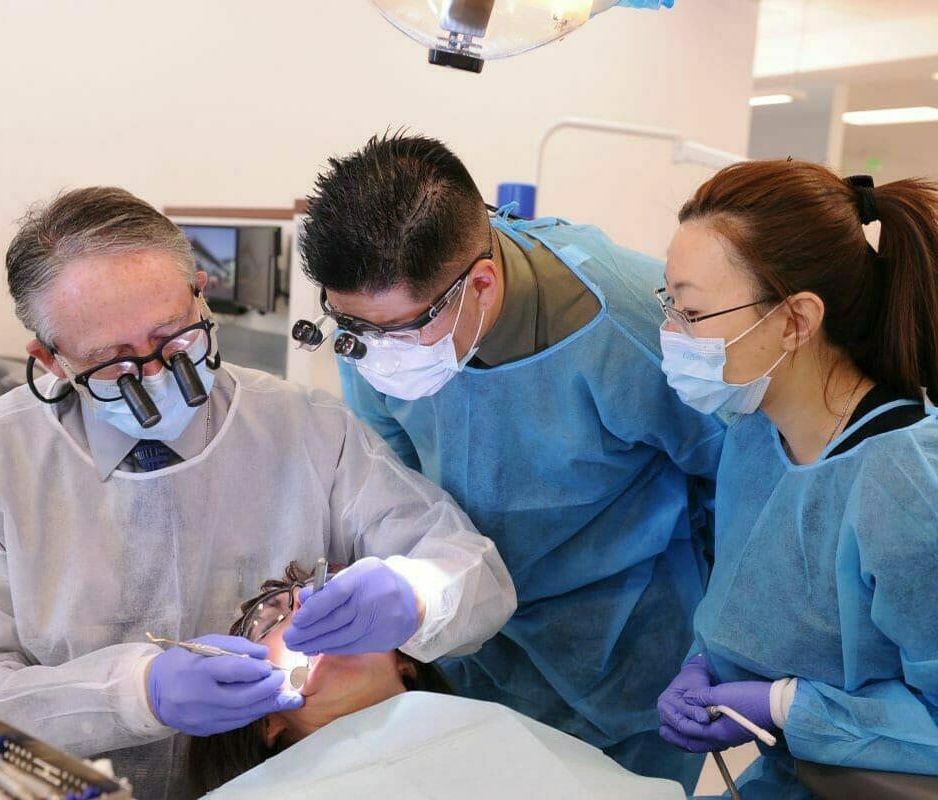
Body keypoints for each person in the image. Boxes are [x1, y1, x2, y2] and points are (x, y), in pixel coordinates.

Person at [0, 187, 516, 799]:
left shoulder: (307, 429)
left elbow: (473, 572)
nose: (159, 374)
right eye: (115, 362)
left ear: (201, 290)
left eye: (175, 335)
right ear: (52, 360)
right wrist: (134, 694)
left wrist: (418, 595)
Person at [296, 132, 725, 791]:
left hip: (626, 665)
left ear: (482, 284)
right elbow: (399, 492)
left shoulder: (637, 322)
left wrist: (729, 647)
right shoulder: (376, 341)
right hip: (470, 657)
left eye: (400, 331)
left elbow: (744, 480)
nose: (378, 356)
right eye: (356, 329)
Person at [654, 161, 938, 796]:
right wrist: (706, 665)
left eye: (692, 313)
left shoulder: (914, 483)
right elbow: (757, 603)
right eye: (668, 303)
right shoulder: (756, 433)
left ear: (797, 320)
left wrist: (786, 706)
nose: (671, 335)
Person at [188, 562, 686, 800]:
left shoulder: (499, 737)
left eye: (336, 601)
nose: (305, 610)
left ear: (405, 660)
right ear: (268, 723)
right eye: (271, 620)